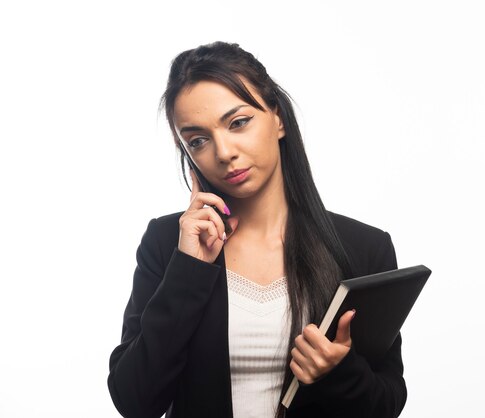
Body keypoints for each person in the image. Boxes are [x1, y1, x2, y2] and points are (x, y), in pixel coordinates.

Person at [107, 41, 407, 418]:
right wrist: (189, 269)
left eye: (238, 123)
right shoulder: (170, 242)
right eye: (198, 140)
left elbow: (388, 403)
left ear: (277, 118)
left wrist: (338, 372)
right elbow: (135, 400)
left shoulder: (364, 247)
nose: (224, 152)